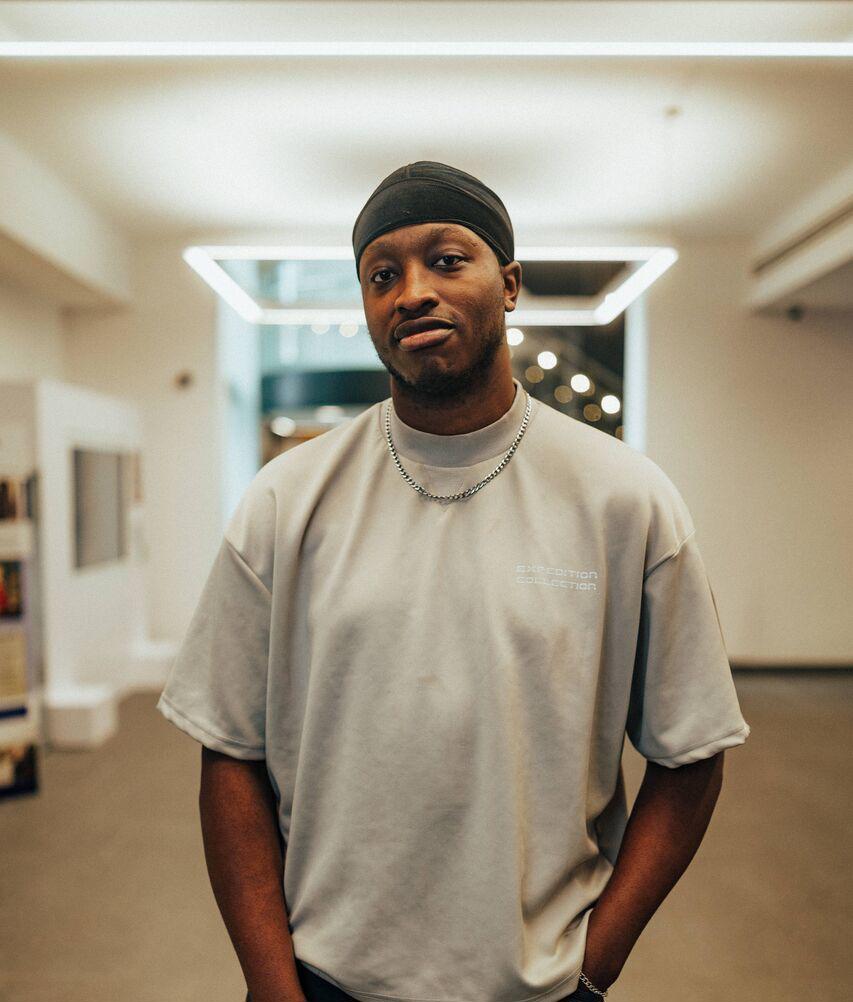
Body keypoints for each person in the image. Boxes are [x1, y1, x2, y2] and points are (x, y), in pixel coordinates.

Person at [157, 161, 751, 1002]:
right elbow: (229, 751)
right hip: (328, 976)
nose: (411, 293)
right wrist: (272, 987)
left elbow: (691, 750)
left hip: (539, 983)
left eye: (445, 260)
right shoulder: (286, 500)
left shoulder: (623, 498)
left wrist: (595, 966)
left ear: (508, 284)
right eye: (381, 275)